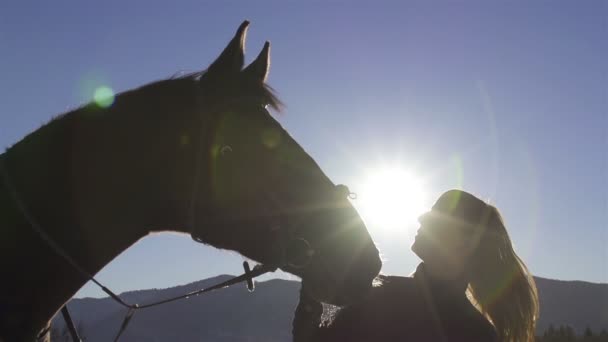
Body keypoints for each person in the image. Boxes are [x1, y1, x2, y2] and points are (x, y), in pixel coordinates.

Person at [293, 189, 539, 342]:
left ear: (464, 245)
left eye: (440, 216)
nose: (422, 218)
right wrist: (312, 277)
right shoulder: (478, 333)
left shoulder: (383, 298)